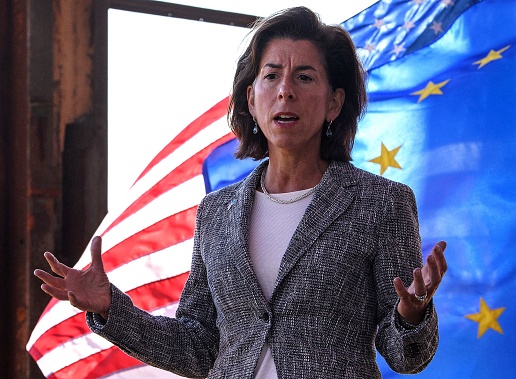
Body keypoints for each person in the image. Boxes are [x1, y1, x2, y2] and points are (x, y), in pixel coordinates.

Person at [34, 6, 448, 378]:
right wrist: (109, 308)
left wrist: (412, 315)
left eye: (304, 77)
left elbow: (404, 357)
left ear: (334, 103)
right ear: (252, 99)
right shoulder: (216, 212)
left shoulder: (381, 203)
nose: (286, 89)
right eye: (271, 76)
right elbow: (198, 347)